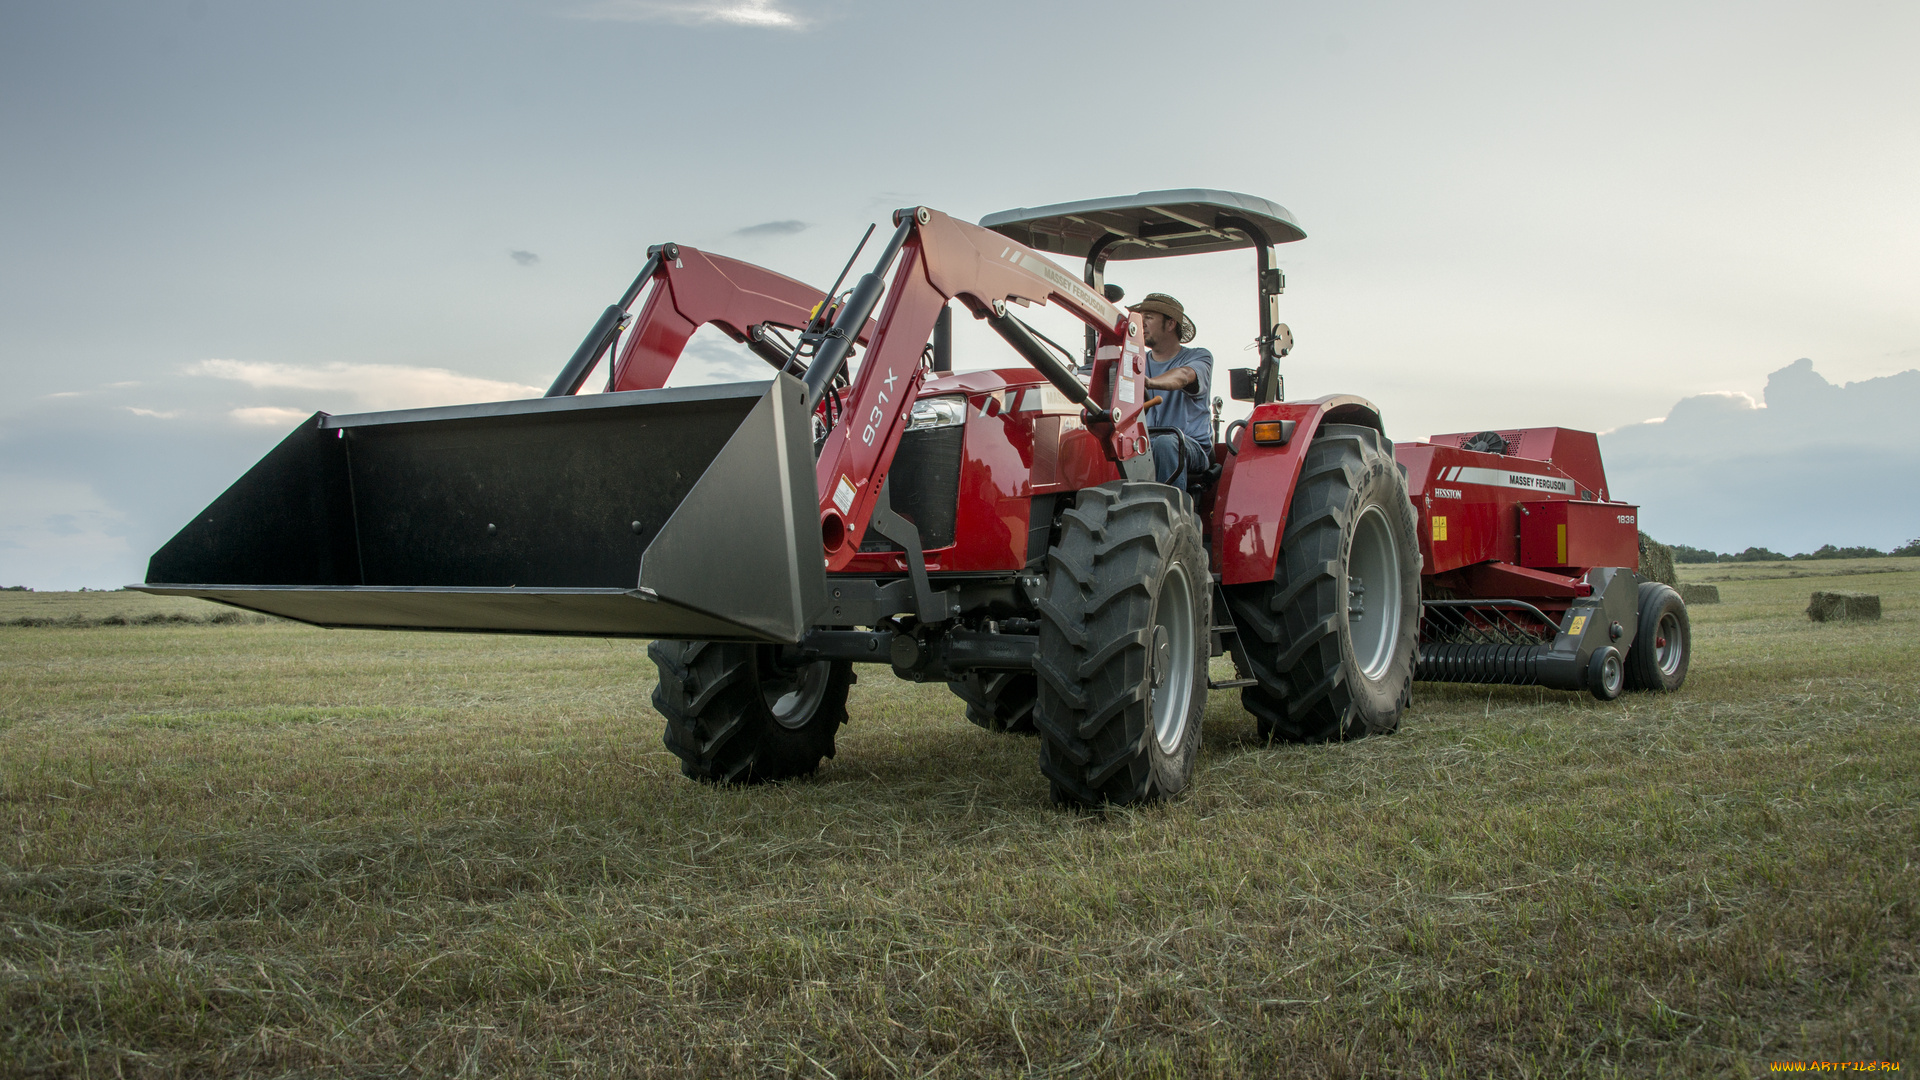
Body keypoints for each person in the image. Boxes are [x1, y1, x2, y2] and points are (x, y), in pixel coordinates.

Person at [1128, 292, 1213, 487]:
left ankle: (1170, 512)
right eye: (1139, 318)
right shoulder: (1135, 361)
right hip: (1144, 443)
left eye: (1148, 318)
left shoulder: (1199, 357)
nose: (1141, 324)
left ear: (1170, 324)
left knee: (1166, 444)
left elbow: (1183, 376)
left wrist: (1149, 383)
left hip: (1188, 445)